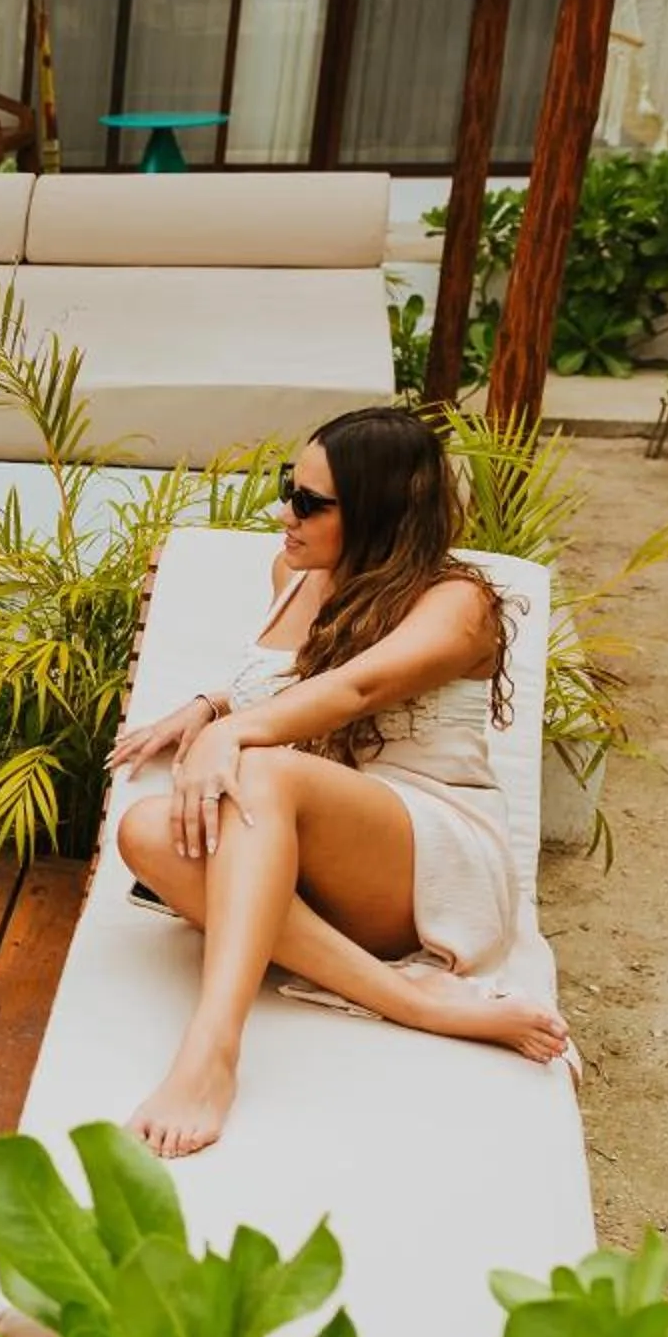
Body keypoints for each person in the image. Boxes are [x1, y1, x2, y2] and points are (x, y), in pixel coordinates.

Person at [107, 404, 572, 1158]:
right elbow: (284, 682)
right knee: (146, 830)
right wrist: (210, 706)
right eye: (289, 486)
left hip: (430, 858)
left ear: (381, 512)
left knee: (261, 774)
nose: (284, 511)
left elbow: (355, 690)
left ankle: (211, 1052)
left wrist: (232, 735)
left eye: (310, 502)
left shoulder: (458, 603)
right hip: (309, 850)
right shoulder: (294, 574)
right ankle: (407, 1001)